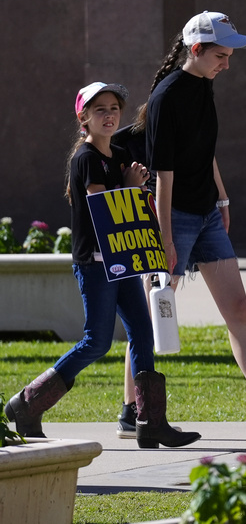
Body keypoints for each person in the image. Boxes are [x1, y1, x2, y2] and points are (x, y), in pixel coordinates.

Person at [119, 11, 246, 439]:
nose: (226, 64)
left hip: (207, 213)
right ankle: (133, 411)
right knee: (153, 316)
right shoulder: (166, 98)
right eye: (220, 55)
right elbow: (165, 174)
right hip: (172, 214)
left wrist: (222, 196)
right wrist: (166, 239)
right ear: (195, 50)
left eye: (229, 56)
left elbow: (204, 149)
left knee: (238, 310)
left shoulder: (203, 86)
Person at [4, 82, 201, 449]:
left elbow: (132, 210)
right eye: (99, 110)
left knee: (142, 335)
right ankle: (26, 404)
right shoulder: (87, 159)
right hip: (95, 263)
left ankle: (150, 421)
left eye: (114, 108)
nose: (109, 115)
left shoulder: (119, 154)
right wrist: (128, 185)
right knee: (96, 342)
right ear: (84, 119)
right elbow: (104, 211)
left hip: (121, 261)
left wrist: (139, 189)